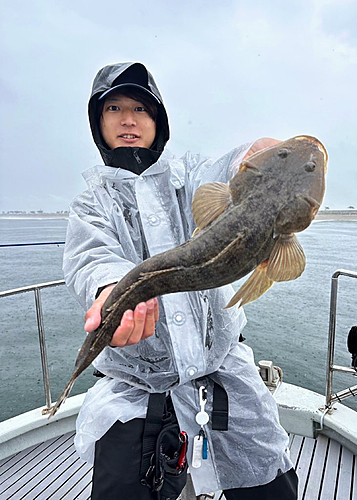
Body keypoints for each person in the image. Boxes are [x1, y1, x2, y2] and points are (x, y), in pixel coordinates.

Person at [63, 62, 298, 499]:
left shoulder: (188, 176)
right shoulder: (90, 202)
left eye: (141, 109)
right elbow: (90, 256)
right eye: (113, 108)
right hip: (134, 383)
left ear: (159, 121)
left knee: (270, 485)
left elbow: (228, 171)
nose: (128, 120)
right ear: (98, 122)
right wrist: (112, 289)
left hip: (223, 373)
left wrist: (259, 152)